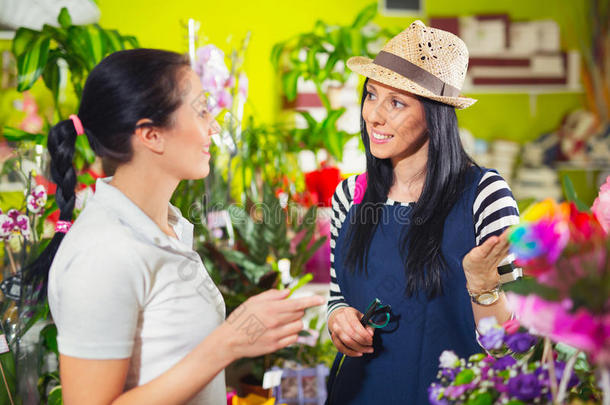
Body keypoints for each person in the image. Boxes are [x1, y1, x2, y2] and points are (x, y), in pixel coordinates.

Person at [24, 49, 324, 405]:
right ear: (151, 135)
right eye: (201, 111)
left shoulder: (164, 226)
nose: (214, 125)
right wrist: (228, 342)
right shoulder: (102, 253)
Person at [325, 21, 522, 404]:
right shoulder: (350, 195)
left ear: (435, 115)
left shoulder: (485, 195)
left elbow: (514, 349)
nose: (374, 116)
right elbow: (338, 297)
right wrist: (338, 320)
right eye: (371, 95)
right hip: (359, 394)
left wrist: (484, 290)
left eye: (396, 103)